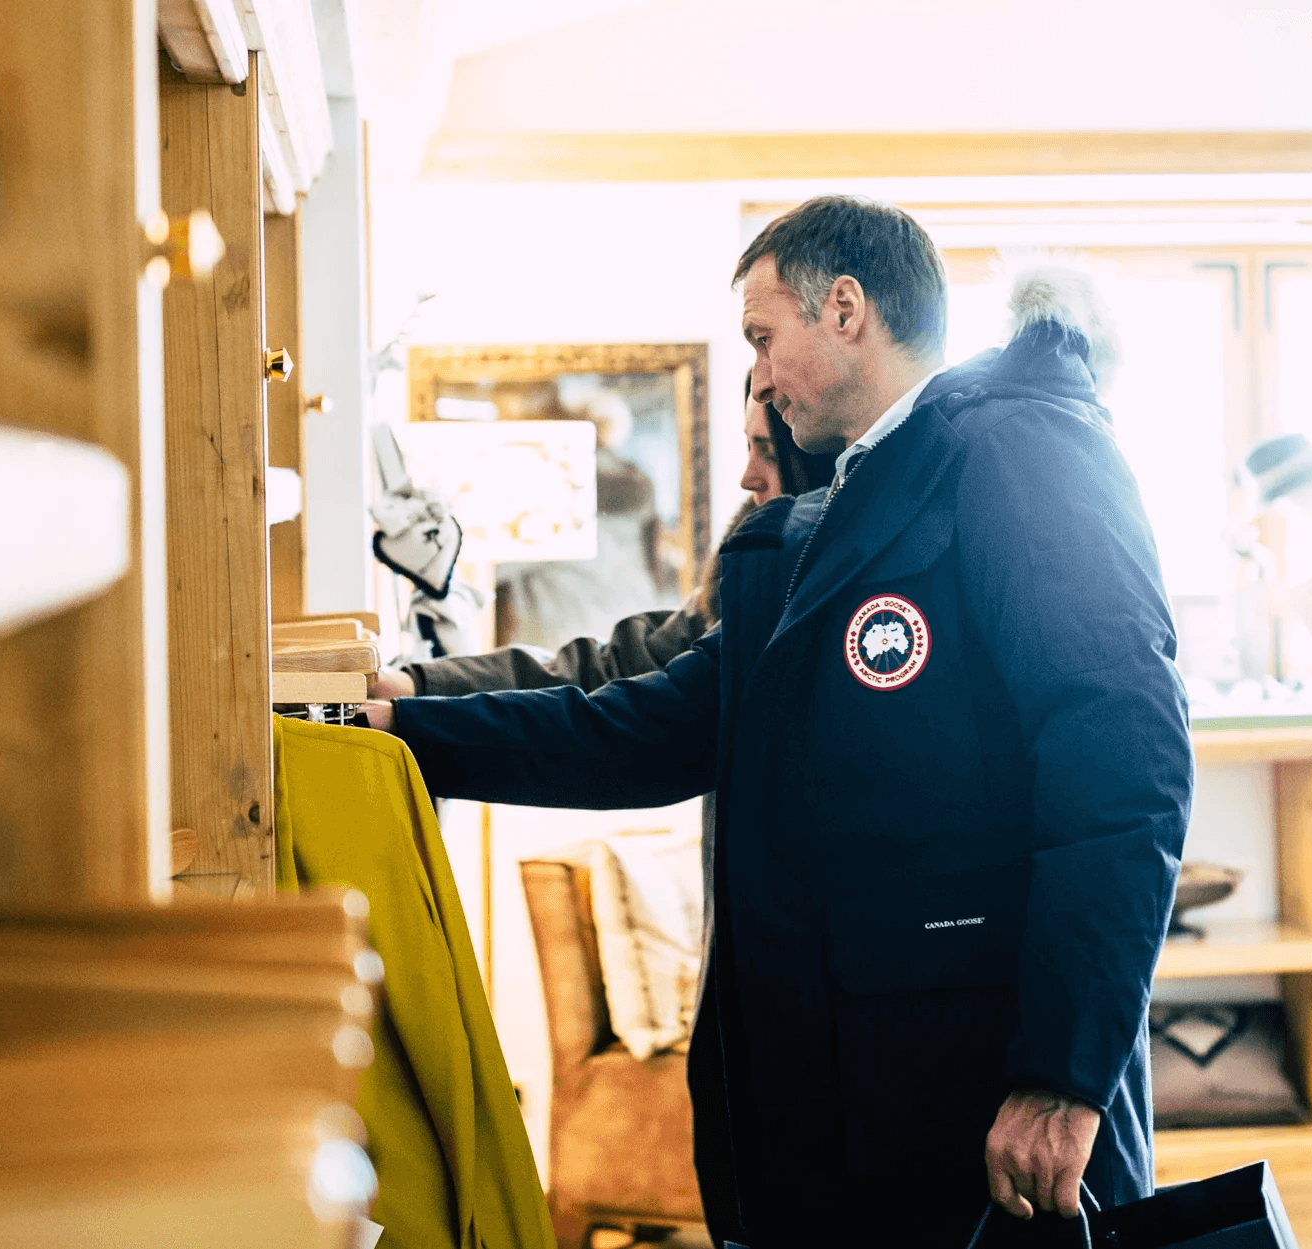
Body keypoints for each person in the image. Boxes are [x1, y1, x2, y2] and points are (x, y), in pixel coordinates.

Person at [365, 196, 1188, 1249]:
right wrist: (404, 728)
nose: (758, 372)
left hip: (971, 1084)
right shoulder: (846, 505)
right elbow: (656, 721)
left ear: (844, 308)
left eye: (762, 336)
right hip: (856, 1094)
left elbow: (1125, 767)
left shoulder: (1017, 450)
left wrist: (1062, 1075)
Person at [374, 367, 837, 698]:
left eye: (768, 453)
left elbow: (608, 695)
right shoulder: (733, 602)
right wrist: (422, 685)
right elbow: (610, 671)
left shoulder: (561, 496)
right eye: (748, 448)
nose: (747, 478)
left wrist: (422, 687)